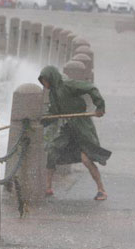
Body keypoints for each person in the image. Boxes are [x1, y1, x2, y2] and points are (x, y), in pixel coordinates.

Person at [38, 65, 111, 200]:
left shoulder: (68, 85)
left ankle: (101, 190)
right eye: (42, 81)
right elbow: (54, 112)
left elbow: (90, 87)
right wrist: (39, 121)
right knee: (53, 151)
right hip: (68, 128)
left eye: (46, 80)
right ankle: (47, 187)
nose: (44, 84)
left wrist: (100, 105)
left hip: (82, 127)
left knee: (86, 159)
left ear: (52, 78)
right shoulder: (53, 92)